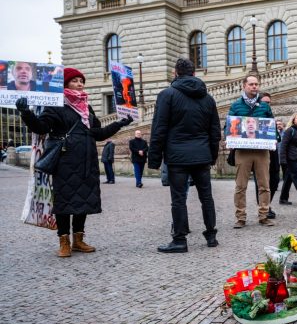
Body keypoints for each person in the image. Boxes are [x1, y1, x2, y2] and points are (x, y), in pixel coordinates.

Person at [15, 67, 132, 257]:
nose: (80, 84)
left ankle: (78, 240)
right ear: (66, 83)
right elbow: (41, 127)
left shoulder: (87, 108)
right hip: (65, 162)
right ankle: (64, 242)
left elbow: (98, 134)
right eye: (75, 81)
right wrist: (25, 112)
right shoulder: (55, 105)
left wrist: (120, 123)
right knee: (64, 202)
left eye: (81, 81)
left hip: (87, 161)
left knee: (83, 201)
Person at [148, 58, 221, 252]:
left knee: (178, 199)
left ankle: (180, 239)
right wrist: (212, 155)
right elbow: (215, 132)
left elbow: (159, 128)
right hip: (202, 155)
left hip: (177, 156)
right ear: (194, 74)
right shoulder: (208, 98)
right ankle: (211, 235)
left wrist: (154, 159)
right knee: (207, 196)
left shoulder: (167, 95)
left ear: (175, 73)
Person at [227, 75, 275, 228]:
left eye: (256, 84)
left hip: (262, 151)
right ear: (244, 86)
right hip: (243, 151)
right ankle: (240, 217)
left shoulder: (265, 106)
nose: (254, 87)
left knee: (264, 185)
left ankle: (264, 215)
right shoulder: (236, 106)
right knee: (240, 186)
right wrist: (229, 137)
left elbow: (272, 126)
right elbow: (228, 127)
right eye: (251, 84)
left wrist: (275, 137)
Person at [252, 93, 280, 219]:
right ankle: (264, 207)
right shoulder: (254, 115)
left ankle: (266, 203)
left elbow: (276, 135)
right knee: (261, 180)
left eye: (269, 102)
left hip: (272, 151)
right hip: (259, 151)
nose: (267, 105)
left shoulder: (270, 115)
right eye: (265, 102)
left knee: (275, 179)